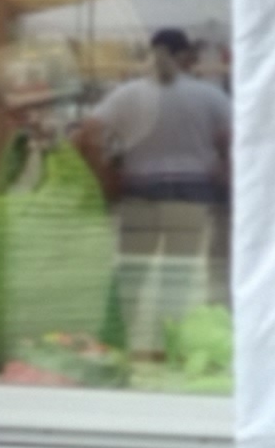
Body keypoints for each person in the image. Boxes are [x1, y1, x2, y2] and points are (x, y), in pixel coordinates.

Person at [76, 26, 232, 354]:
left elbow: (87, 134)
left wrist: (105, 176)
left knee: (131, 274)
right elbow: (236, 140)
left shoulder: (127, 95)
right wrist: (225, 173)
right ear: (186, 56)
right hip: (191, 196)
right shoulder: (209, 96)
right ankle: (167, 347)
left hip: (139, 192)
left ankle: (114, 344)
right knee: (177, 278)